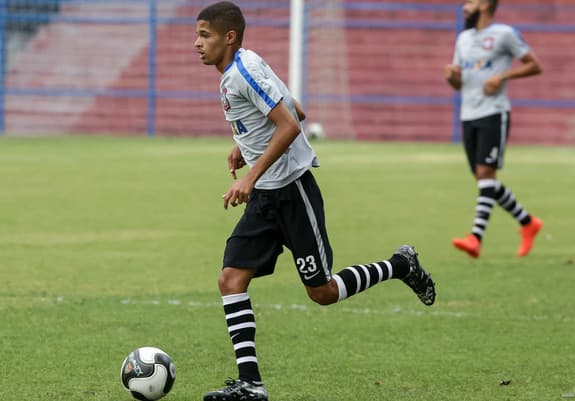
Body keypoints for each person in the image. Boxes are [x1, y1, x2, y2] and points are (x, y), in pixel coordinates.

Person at [194, 2, 436, 400]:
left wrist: (250, 176)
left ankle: (400, 265)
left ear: (229, 37)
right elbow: (297, 109)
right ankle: (251, 385)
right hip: (266, 198)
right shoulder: (243, 66)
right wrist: (244, 146)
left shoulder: (242, 72)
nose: (196, 43)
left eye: (204, 35)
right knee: (230, 280)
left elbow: (290, 124)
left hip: (291, 191)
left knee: (321, 292)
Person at [445, 0, 543, 259]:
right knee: (484, 180)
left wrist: (503, 77)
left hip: (494, 112)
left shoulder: (504, 34)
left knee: (485, 174)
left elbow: (535, 65)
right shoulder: (463, 38)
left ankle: (475, 238)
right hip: (469, 114)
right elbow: (458, 84)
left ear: (486, 5)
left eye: (470, 2)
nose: (464, 7)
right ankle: (528, 223)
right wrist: (452, 76)